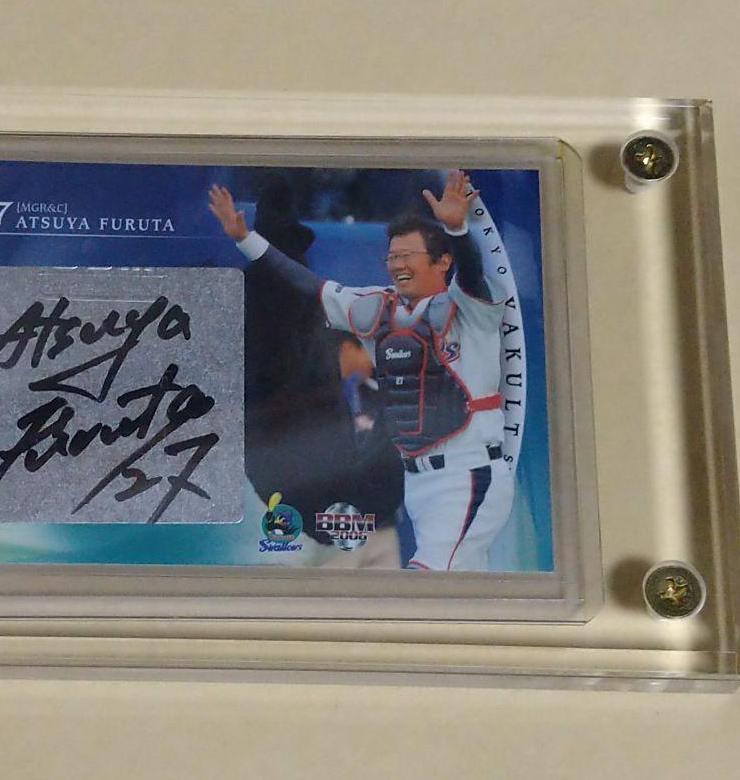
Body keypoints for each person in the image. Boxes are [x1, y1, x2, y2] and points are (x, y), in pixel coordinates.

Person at [208, 170, 514, 571]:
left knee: (436, 587)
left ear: (442, 262)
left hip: (460, 472)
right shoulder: (377, 309)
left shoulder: (470, 309)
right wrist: (247, 240)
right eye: (394, 257)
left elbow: (473, 279)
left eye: (409, 256)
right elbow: (309, 286)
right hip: (384, 494)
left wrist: (457, 230)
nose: (399, 265)